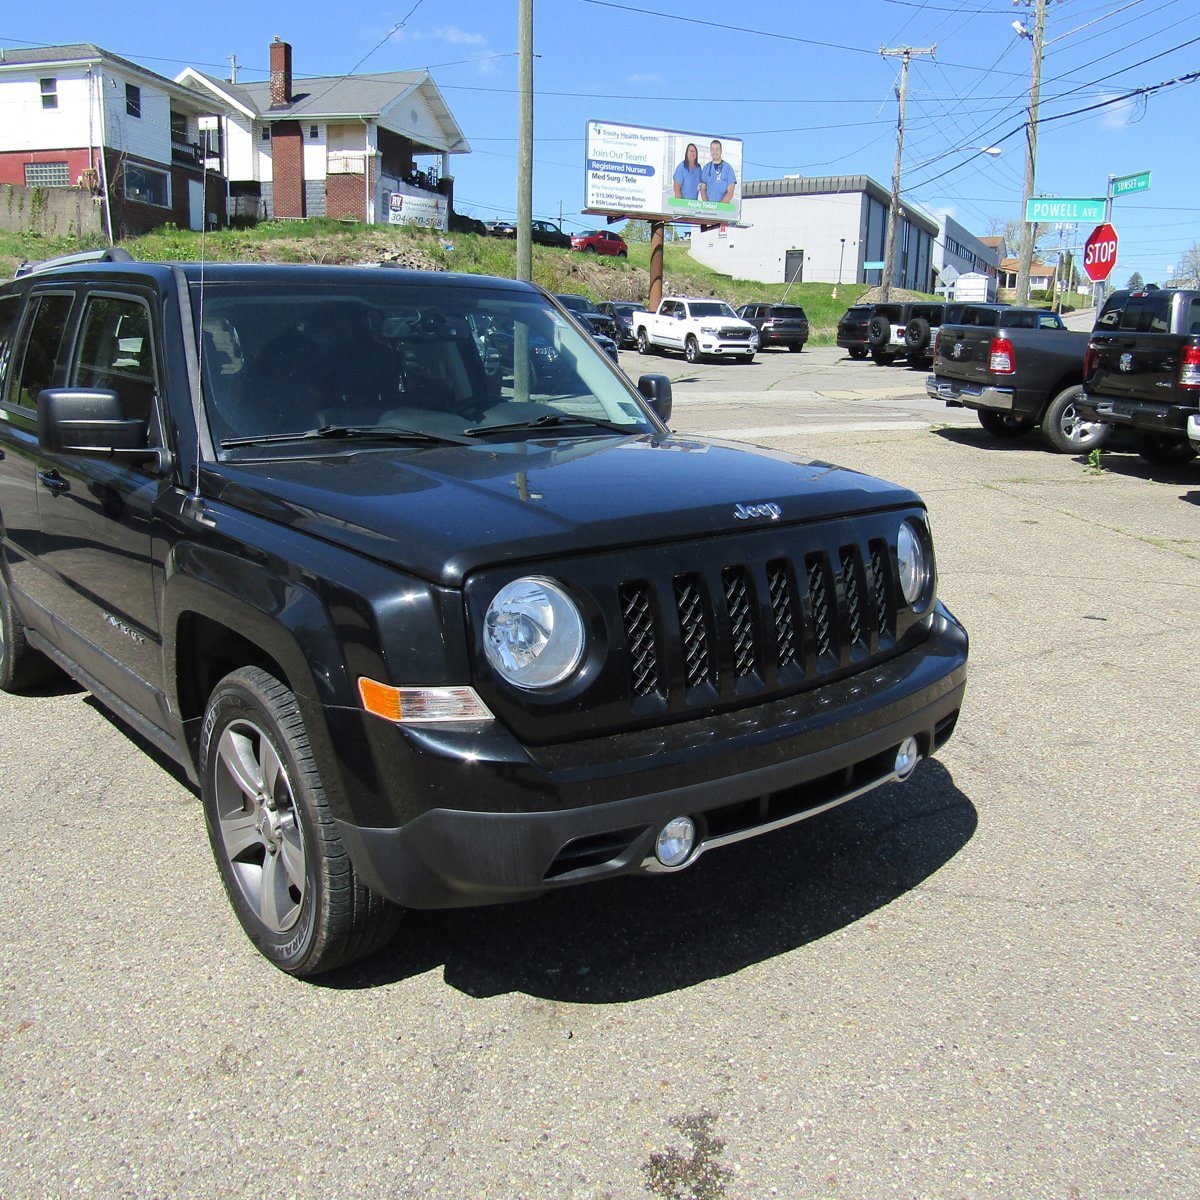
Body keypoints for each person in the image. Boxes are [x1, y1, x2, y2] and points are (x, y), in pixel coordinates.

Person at [699, 139, 737, 204]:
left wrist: (719, 207)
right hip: (709, 209)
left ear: (721, 151)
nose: (715, 151)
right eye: (712, 149)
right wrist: (707, 205)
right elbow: (703, 189)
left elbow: (730, 192)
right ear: (710, 151)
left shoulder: (728, 168)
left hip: (724, 209)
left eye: (717, 149)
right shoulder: (706, 168)